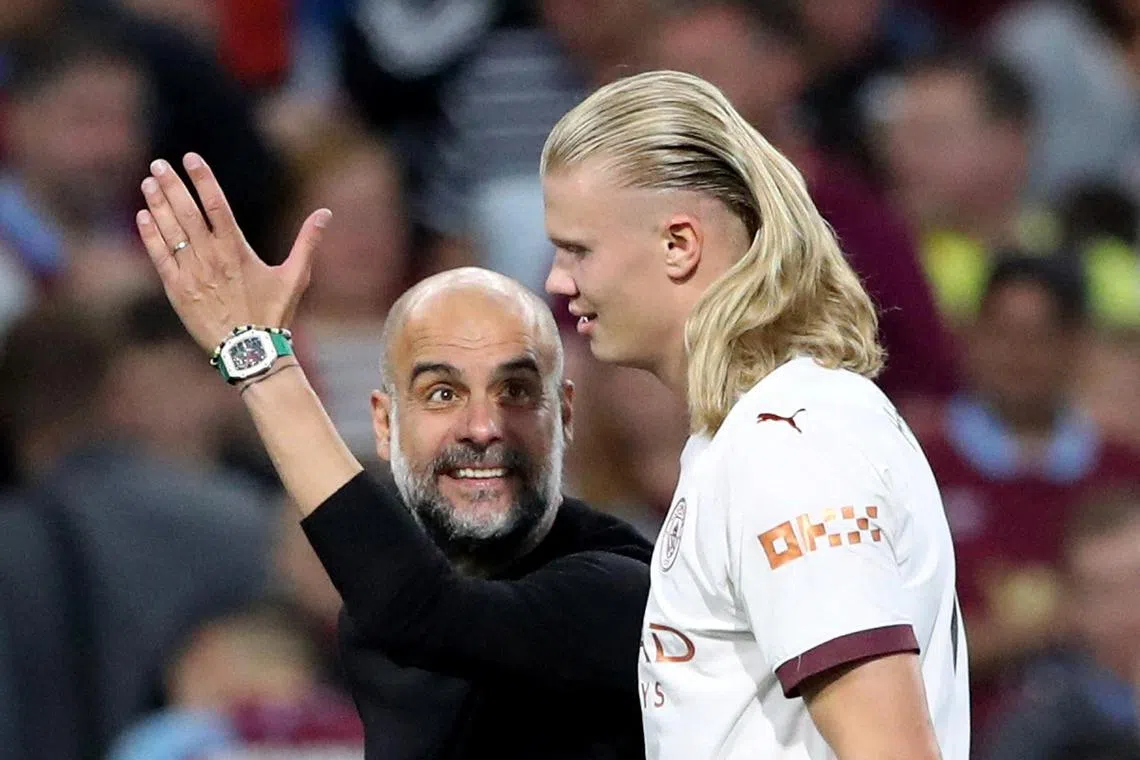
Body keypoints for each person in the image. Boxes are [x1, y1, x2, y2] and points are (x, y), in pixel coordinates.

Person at [133, 153, 652, 759]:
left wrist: (258, 361)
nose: (482, 426)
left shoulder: (621, 585)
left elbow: (423, 615)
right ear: (385, 424)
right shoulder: (376, 614)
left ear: (564, 415)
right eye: (442, 393)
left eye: (515, 391)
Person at [541, 70, 968, 758]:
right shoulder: (745, 438)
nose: (557, 282)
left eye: (578, 249)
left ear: (679, 244)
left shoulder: (789, 446)